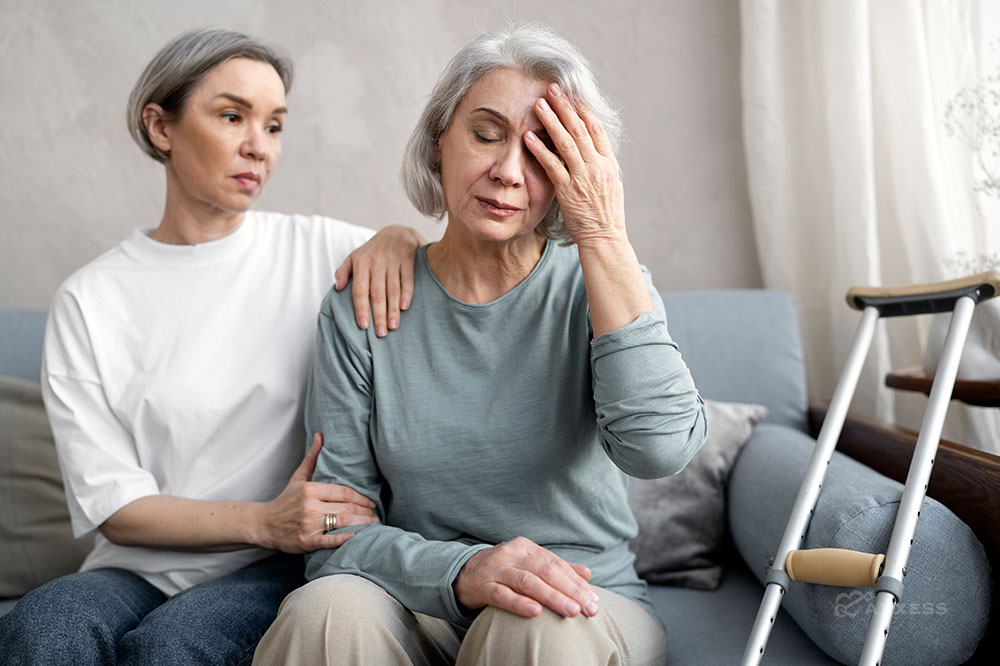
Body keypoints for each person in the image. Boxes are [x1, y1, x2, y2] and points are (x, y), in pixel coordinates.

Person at [253, 22, 708, 666]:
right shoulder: (366, 301)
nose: (507, 171)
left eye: (544, 150)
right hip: (420, 599)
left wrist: (602, 234)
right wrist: (464, 571)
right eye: (486, 134)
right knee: (325, 610)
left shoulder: (602, 284)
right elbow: (333, 525)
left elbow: (660, 449)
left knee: (532, 624)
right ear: (440, 141)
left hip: (582, 603)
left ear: (575, 171)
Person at [0, 28, 424, 665]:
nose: (260, 147)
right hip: (135, 569)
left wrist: (399, 234)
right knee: (41, 629)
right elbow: (117, 507)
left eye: (275, 125)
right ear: (161, 126)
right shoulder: (90, 299)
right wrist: (264, 519)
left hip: (273, 567)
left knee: (176, 647)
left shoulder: (318, 252)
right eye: (233, 116)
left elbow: (432, 263)